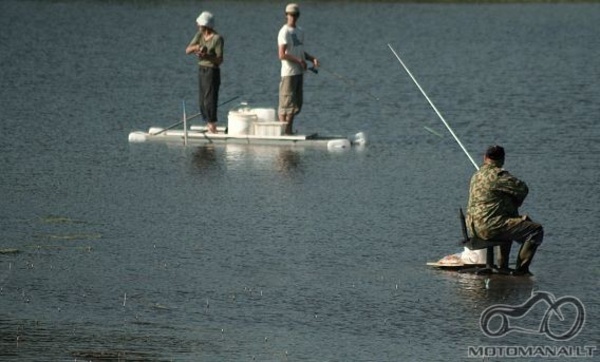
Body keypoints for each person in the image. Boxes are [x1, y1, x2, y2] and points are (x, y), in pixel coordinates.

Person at [466, 145, 544, 275]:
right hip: (489, 228)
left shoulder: (476, 175)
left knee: (507, 218)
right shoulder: (500, 176)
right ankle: (521, 270)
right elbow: (523, 188)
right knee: (536, 230)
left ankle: (502, 266)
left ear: (485, 158)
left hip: (473, 227)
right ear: (503, 160)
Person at [277, 3, 319, 135]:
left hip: (299, 72)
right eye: (290, 15)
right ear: (286, 15)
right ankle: (285, 132)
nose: (292, 17)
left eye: (295, 15)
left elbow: (299, 51)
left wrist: (311, 58)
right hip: (288, 73)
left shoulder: (300, 31)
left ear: (298, 16)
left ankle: (288, 131)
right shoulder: (284, 32)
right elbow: (282, 55)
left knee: (296, 104)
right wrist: (298, 61)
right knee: (286, 104)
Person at [186, 11, 224, 134]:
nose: (198, 26)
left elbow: (219, 60)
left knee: (210, 99)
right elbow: (187, 50)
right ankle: (208, 124)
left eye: (200, 24)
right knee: (202, 100)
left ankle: (212, 126)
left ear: (206, 25)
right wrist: (197, 48)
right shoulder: (199, 35)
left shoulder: (217, 39)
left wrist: (206, 56)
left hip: (212, 71)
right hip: (201, 69)